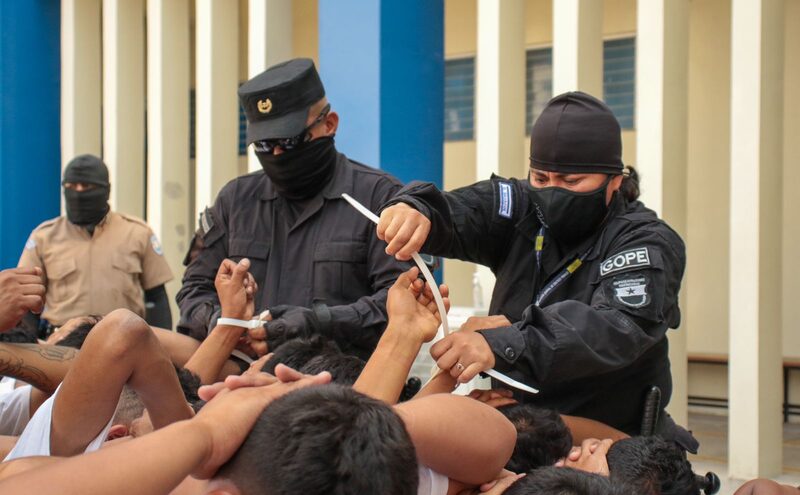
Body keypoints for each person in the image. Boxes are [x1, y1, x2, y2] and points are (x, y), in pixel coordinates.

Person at [378, 91, 686, 436]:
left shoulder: (645, 241)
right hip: (520, 429)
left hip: (607, 442)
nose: (553, 191)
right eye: (541, 178)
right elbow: (458, 210)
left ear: (614, 180)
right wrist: (415, 210)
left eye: (571, 182)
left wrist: (504, 340)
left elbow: (613, 327)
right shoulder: (521, 205)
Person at [177, 58, 406, 360]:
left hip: (336, 387)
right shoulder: (235, 201)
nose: (276, 154)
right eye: (264, 145)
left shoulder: (378, 197)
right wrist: (226, 323)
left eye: (288, 141)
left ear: (329, 124)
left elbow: (400, 301)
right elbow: (194, 288)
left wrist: (316, 324)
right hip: (239, 375)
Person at [18, 155, 174, 332]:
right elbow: (27, 299)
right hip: (61, 344)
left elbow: (157, 297)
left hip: (124, 342)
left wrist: (160, 345)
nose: (78, 193)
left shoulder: (137, 233)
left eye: (87, 187)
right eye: (71, 186)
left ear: (105, 190)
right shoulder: (43, 237)